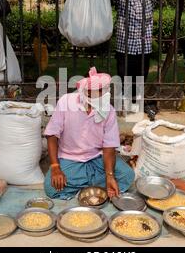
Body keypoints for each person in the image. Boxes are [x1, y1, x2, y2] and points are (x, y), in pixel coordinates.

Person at [43, 67, 135, 200]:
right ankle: (95, 187)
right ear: (84, 91)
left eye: (102, 91)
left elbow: (109, 147)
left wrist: (109, 175)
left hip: (97, 158)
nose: (99, 95)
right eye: (94, 92)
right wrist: (55, 167)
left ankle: (84, 187)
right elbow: (51, 134)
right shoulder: (66, 101)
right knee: (50, 187)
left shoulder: (108, 110)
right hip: (70, 158)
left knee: (127, 175)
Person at [111, 0, 161, 104]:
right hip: (124, 50)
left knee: (139, 83)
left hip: (143, 50)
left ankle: (135, 109)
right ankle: (125, 110)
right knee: (124, 81)